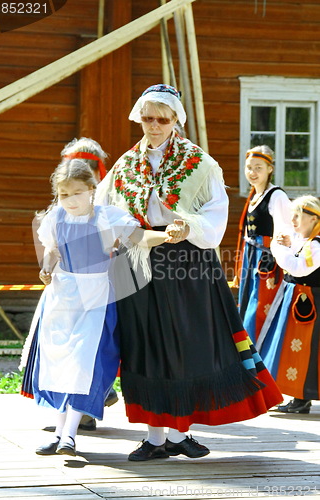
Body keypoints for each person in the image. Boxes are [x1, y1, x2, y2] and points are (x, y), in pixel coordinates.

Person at [95, 84, 283, 461]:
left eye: (161, 119)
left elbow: (216, 212)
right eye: (147, 118)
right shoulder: (126, 163)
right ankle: (154, 437)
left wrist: (188, 226)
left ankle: (180, 433)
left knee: (185, 343)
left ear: (176, 121)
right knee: (144, 345)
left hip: (186, 262)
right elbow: (104, 204)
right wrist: (133, 230)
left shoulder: (200, 163)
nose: (153, 126)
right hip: (138, 259)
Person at [23, 158, 169, 456]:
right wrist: (47, 267)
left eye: (77, 193)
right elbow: (52, 250)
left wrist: (168, 234)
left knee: (83, 364)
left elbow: (139, 236)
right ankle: (59, 431)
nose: (70, 200)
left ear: (91, 190)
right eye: (64, 195)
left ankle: (71, 434)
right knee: (58, 364)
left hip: (95, 297)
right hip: (63, 298)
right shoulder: (55, 218)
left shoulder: (106, 217)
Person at [62, 137, 118, 428]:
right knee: (69, 349)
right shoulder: (66, 200)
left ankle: (85, 411)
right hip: (69, 290)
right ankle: (70, 412)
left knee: (95, 350)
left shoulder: (106, 201)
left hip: (100, 288)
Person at [256, 195, 320, 414]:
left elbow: (298, 267)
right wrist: (289, 244)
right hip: (297, 300)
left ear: (313, 219)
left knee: (303, 350)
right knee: (293, 348)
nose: (292, 220)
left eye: (298, 216)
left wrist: (277, 248)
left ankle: (302, 397)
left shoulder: (317, 245)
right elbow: (298, 252)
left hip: (309, 303)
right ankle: (297, 396)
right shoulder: (306, 242)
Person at [233, 145, 292, 344]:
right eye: (249, 167)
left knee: (258, 309)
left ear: (270, 169)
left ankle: (257, 359)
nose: (253, 172)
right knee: (247, 304)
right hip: (251, 259)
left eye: (259, 167)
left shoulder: (277, 196)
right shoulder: (253, 197)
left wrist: (273, 268)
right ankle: (245, 358)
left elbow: (283, 235)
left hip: (265, 261)